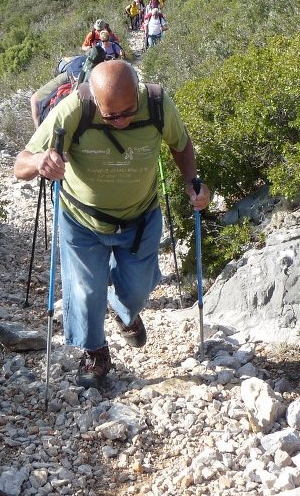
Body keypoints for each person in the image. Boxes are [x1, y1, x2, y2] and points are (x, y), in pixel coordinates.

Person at [14, 61, 210, 389]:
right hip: (81, 219)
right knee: (84, 290)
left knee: (138, 288)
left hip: (141, 215)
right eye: (110, 116)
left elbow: (181, 145)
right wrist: (39, 162)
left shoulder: (158, 104)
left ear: (137, 93)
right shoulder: (74, 108)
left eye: (128, 112)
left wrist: (193, 182)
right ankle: (95, 353)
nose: (120, 122)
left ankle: (124, 313)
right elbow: (21, 164)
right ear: (96, 101)